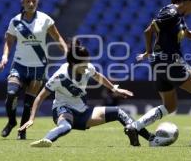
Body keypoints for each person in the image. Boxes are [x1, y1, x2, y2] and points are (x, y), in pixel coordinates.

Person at [125, 0, 191, 147]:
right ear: (190, 1)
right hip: (171, 62)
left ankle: (134, 127)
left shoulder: (178, 16)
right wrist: (148, 52)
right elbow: (148, 31)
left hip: (160, 64)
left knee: (170, 106)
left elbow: (188, 33)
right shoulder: (170, 13)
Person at [19, 40, 153, 147]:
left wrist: (114, 89)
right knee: (66, 126)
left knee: (119, 112)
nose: (87, 65)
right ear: (72, 63)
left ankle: (151, 138)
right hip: (63, 110)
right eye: (84, 63)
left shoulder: (88, 68)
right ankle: (46, 140)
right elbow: (40, 97)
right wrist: (31, 118)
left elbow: (99, 76)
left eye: (88, 61)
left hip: (83, 112)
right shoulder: (59, 76)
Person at [0, 0, 68, 140]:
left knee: (29, 103)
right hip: (20, 65)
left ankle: (21, 131)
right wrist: (5, 56)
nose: (30, 4)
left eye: (33, 1)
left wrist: (68, 53)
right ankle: (11, 122)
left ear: (37, 2)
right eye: (28, 1)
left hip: (38, 67)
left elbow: (58, 38)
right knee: (11, 94)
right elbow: (9, 41)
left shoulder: (45, 19)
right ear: (22, 2)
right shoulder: (15, 21)